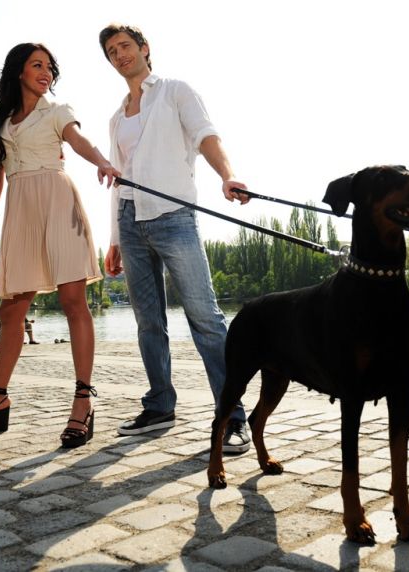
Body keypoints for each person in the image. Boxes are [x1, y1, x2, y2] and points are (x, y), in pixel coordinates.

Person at [98, 23, 251, 452]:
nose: (119, 55)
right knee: (148, 321)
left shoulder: (175, 91)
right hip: (130, 220)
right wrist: (115, 237)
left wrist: (227, 175)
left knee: (205, 318)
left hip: (175, 218)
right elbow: (119, 179)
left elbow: (206, 136)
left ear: (144, 48)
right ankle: (160, 405)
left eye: (125, 46)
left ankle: (232, 415)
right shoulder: (116, 117)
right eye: (111, 52)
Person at [0, 43, 119, 449]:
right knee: (11, 309)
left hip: (58, 203)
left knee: (73, 301)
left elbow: (78, 140)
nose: (46, 72)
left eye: (49, 66)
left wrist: (102, 161)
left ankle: (83, 401)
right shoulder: (2, 123)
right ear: (19, 71)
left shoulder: (57, 111)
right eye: (37, 65)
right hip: (21, 212)